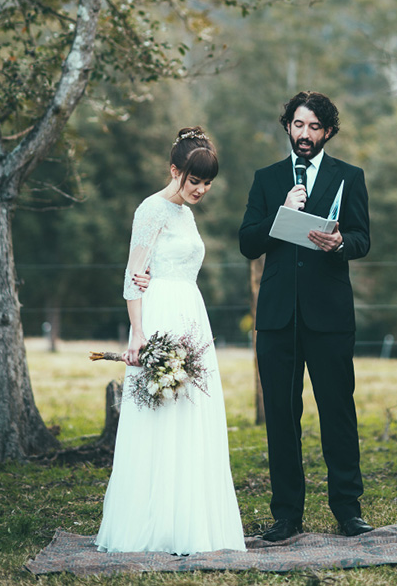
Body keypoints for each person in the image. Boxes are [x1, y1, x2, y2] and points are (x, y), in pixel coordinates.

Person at [96, 128, 246, 555]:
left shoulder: (186, 214)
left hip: (190, 316)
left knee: (191, 413)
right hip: (159, 316)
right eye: (194, 180)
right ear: (174, 170)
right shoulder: (151, 210)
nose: (201, 190)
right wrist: (139, 334)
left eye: (207, 183)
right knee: (160, 413)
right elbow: (133, 275)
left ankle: (190, 520)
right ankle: (155, 523)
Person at [239, 91, 373, 542]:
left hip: (330, 317)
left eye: (314, 127)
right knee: (281, 416)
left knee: (338, 413)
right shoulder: (267, 179)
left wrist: (342, 243)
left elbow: (362, 238)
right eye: (298, 125)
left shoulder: (349, 176)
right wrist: (283, 213)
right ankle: (286, 515)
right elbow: (247, 242)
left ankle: (348, 510)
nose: (305, 134)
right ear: (288, 127)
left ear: (327, 132)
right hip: (278, 318)